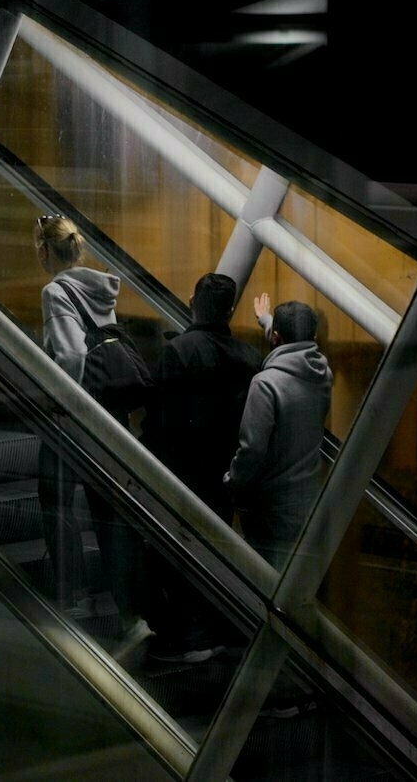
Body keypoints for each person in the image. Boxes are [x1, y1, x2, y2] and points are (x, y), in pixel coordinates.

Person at [33, 213, 145, 639]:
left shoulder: (55, 291)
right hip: (110, 417)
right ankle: (129, 610)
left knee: (55, 498)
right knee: (108, 512)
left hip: (76, 417)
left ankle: (70, 596)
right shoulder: (100, 288)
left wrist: (65, 407)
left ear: (45, 251)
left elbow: (72, 355)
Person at [140, 273, 261, 664]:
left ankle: (188, 637)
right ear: (229, 310)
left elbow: (160, 418)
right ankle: (215, 630)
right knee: (217, 547)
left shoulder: (180, 351)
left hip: (181, 471)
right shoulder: (247, 357)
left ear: (192, 303)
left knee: (175, 552)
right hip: (224, 473)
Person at [225, 295, 333, 571]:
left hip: (271, 509)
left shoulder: (265, 384)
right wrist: (265, 320)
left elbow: (252, 450)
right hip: (307, 499)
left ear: (275, 338)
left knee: (266, 582)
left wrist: (232, 480)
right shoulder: (323, 374)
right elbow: (293, 351)